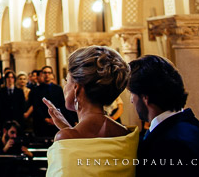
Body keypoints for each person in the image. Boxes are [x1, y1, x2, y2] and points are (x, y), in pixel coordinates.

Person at [42, 46, 137, 176]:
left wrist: (68, 134)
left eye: (67, 81)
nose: (65, 87)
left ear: (76, 88)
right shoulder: (125, 134)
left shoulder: (65, 138)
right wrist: (68, 129)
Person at [130, 55, 199, 176]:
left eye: (132, 93)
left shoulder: (170, 145)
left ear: (145, 97)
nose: (131, 100)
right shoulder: (188, 125)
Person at [25, 65, 65, 137]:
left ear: (52, 75)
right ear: (42, 74)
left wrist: (55, 118)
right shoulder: (36, 90)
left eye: (49, 73)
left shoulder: (58, 89)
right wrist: (45, 118)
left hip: (56, 121)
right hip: (41, 122)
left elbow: (61, 104)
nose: (47, 75)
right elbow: (36, 106)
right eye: (45, 73)